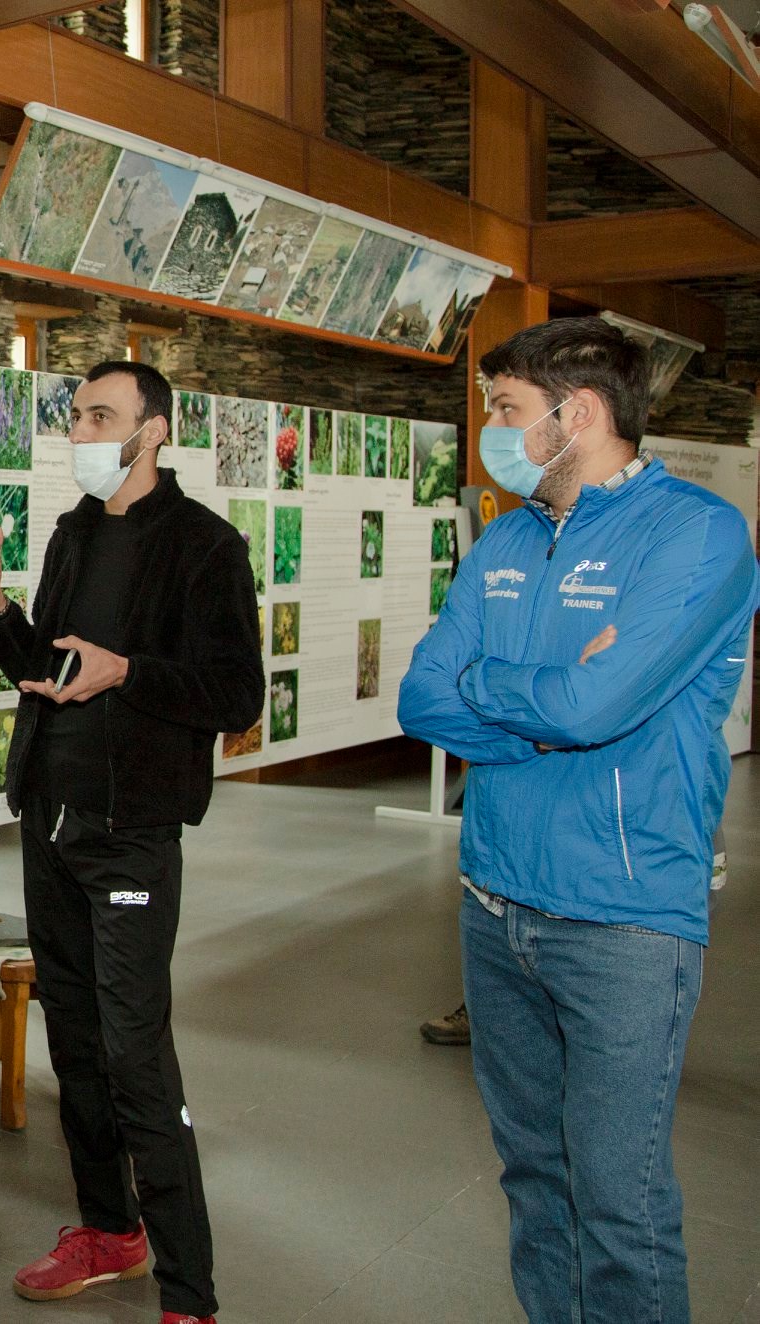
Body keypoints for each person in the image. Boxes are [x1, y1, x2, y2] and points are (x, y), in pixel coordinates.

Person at [399, 316, 757, 1324]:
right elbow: (422, 698)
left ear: (580, 413)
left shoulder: (696, 534)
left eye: (506, 408)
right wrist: (544, 714)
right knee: (533, 1177)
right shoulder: (507, 538)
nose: (490, 430)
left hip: (622, 918)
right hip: (492, 902)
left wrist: (497, 687)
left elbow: (595, 709)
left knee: (617, 1200)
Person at [0, 359, 261, 1324]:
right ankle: (106, 1230)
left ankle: (189, 1293)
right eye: (77, 416)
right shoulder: (73, 532)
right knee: (76, 1042)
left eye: (100, 415)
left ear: (152, 430)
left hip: (131, 835)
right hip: (49, 818)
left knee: (135, 1056)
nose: (81, 432)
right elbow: (49, 669)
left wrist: (128, 671)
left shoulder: (206, 546)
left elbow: (235, 695)